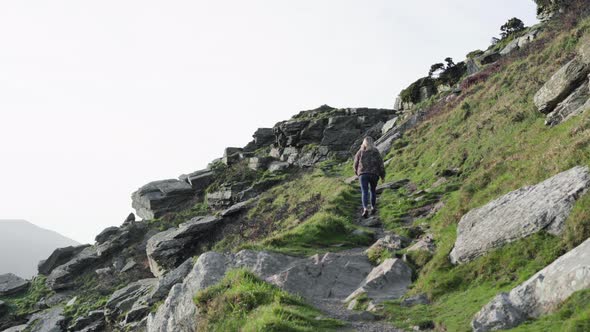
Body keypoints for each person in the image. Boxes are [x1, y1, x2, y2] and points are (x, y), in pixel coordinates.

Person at [353, 137, 385, 218]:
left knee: (364, 191)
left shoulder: (360, 152)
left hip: (363, 174)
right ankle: (373, 207)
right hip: (374, 174)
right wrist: (382, 175)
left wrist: (357, 173)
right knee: (373, 191)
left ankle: (365, 209)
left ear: (364, 143)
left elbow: (355, 164)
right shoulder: (376, 152)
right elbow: (380, 164)